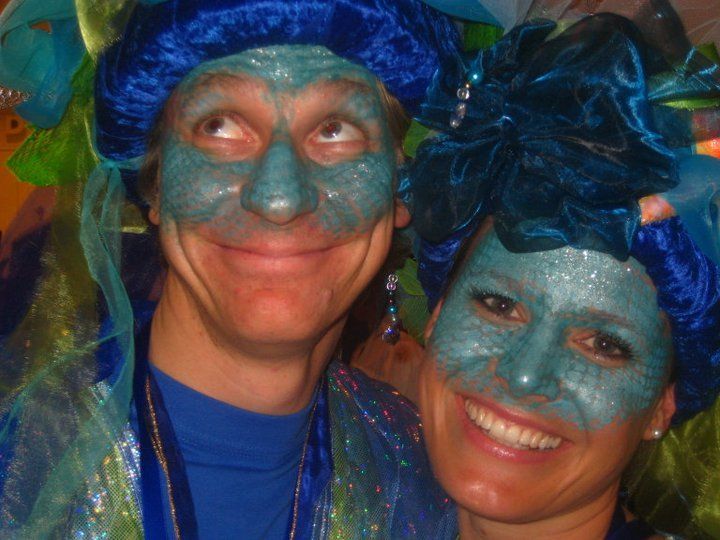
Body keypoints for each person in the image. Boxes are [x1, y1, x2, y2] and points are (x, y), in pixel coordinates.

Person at [0, 0, 461, 537]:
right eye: (218, 126)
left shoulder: (428, 483)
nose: (280, 198)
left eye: (335, 130)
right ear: (154, 183)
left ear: (401, 188)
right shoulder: (19, 455)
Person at [399, 13, 720, 539]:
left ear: (663, 407)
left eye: (604, 345)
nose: (525, 376)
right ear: (436, 315)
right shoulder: (344, 500)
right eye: (500, 305)